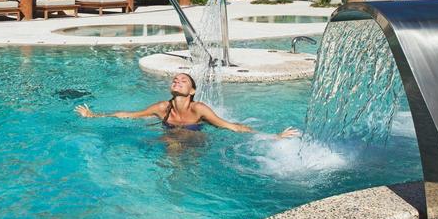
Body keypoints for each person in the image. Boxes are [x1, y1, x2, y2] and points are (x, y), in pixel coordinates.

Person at [75, 72, 300, 137]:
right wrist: (93, 116)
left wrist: (273, 136)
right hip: (170, 136)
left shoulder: (198, 109)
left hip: (196, 139)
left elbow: (231, 126)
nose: (177, 81)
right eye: (175, 79)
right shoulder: (162, 107)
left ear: (192, 91)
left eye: (184, 80)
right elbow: (129, 115)